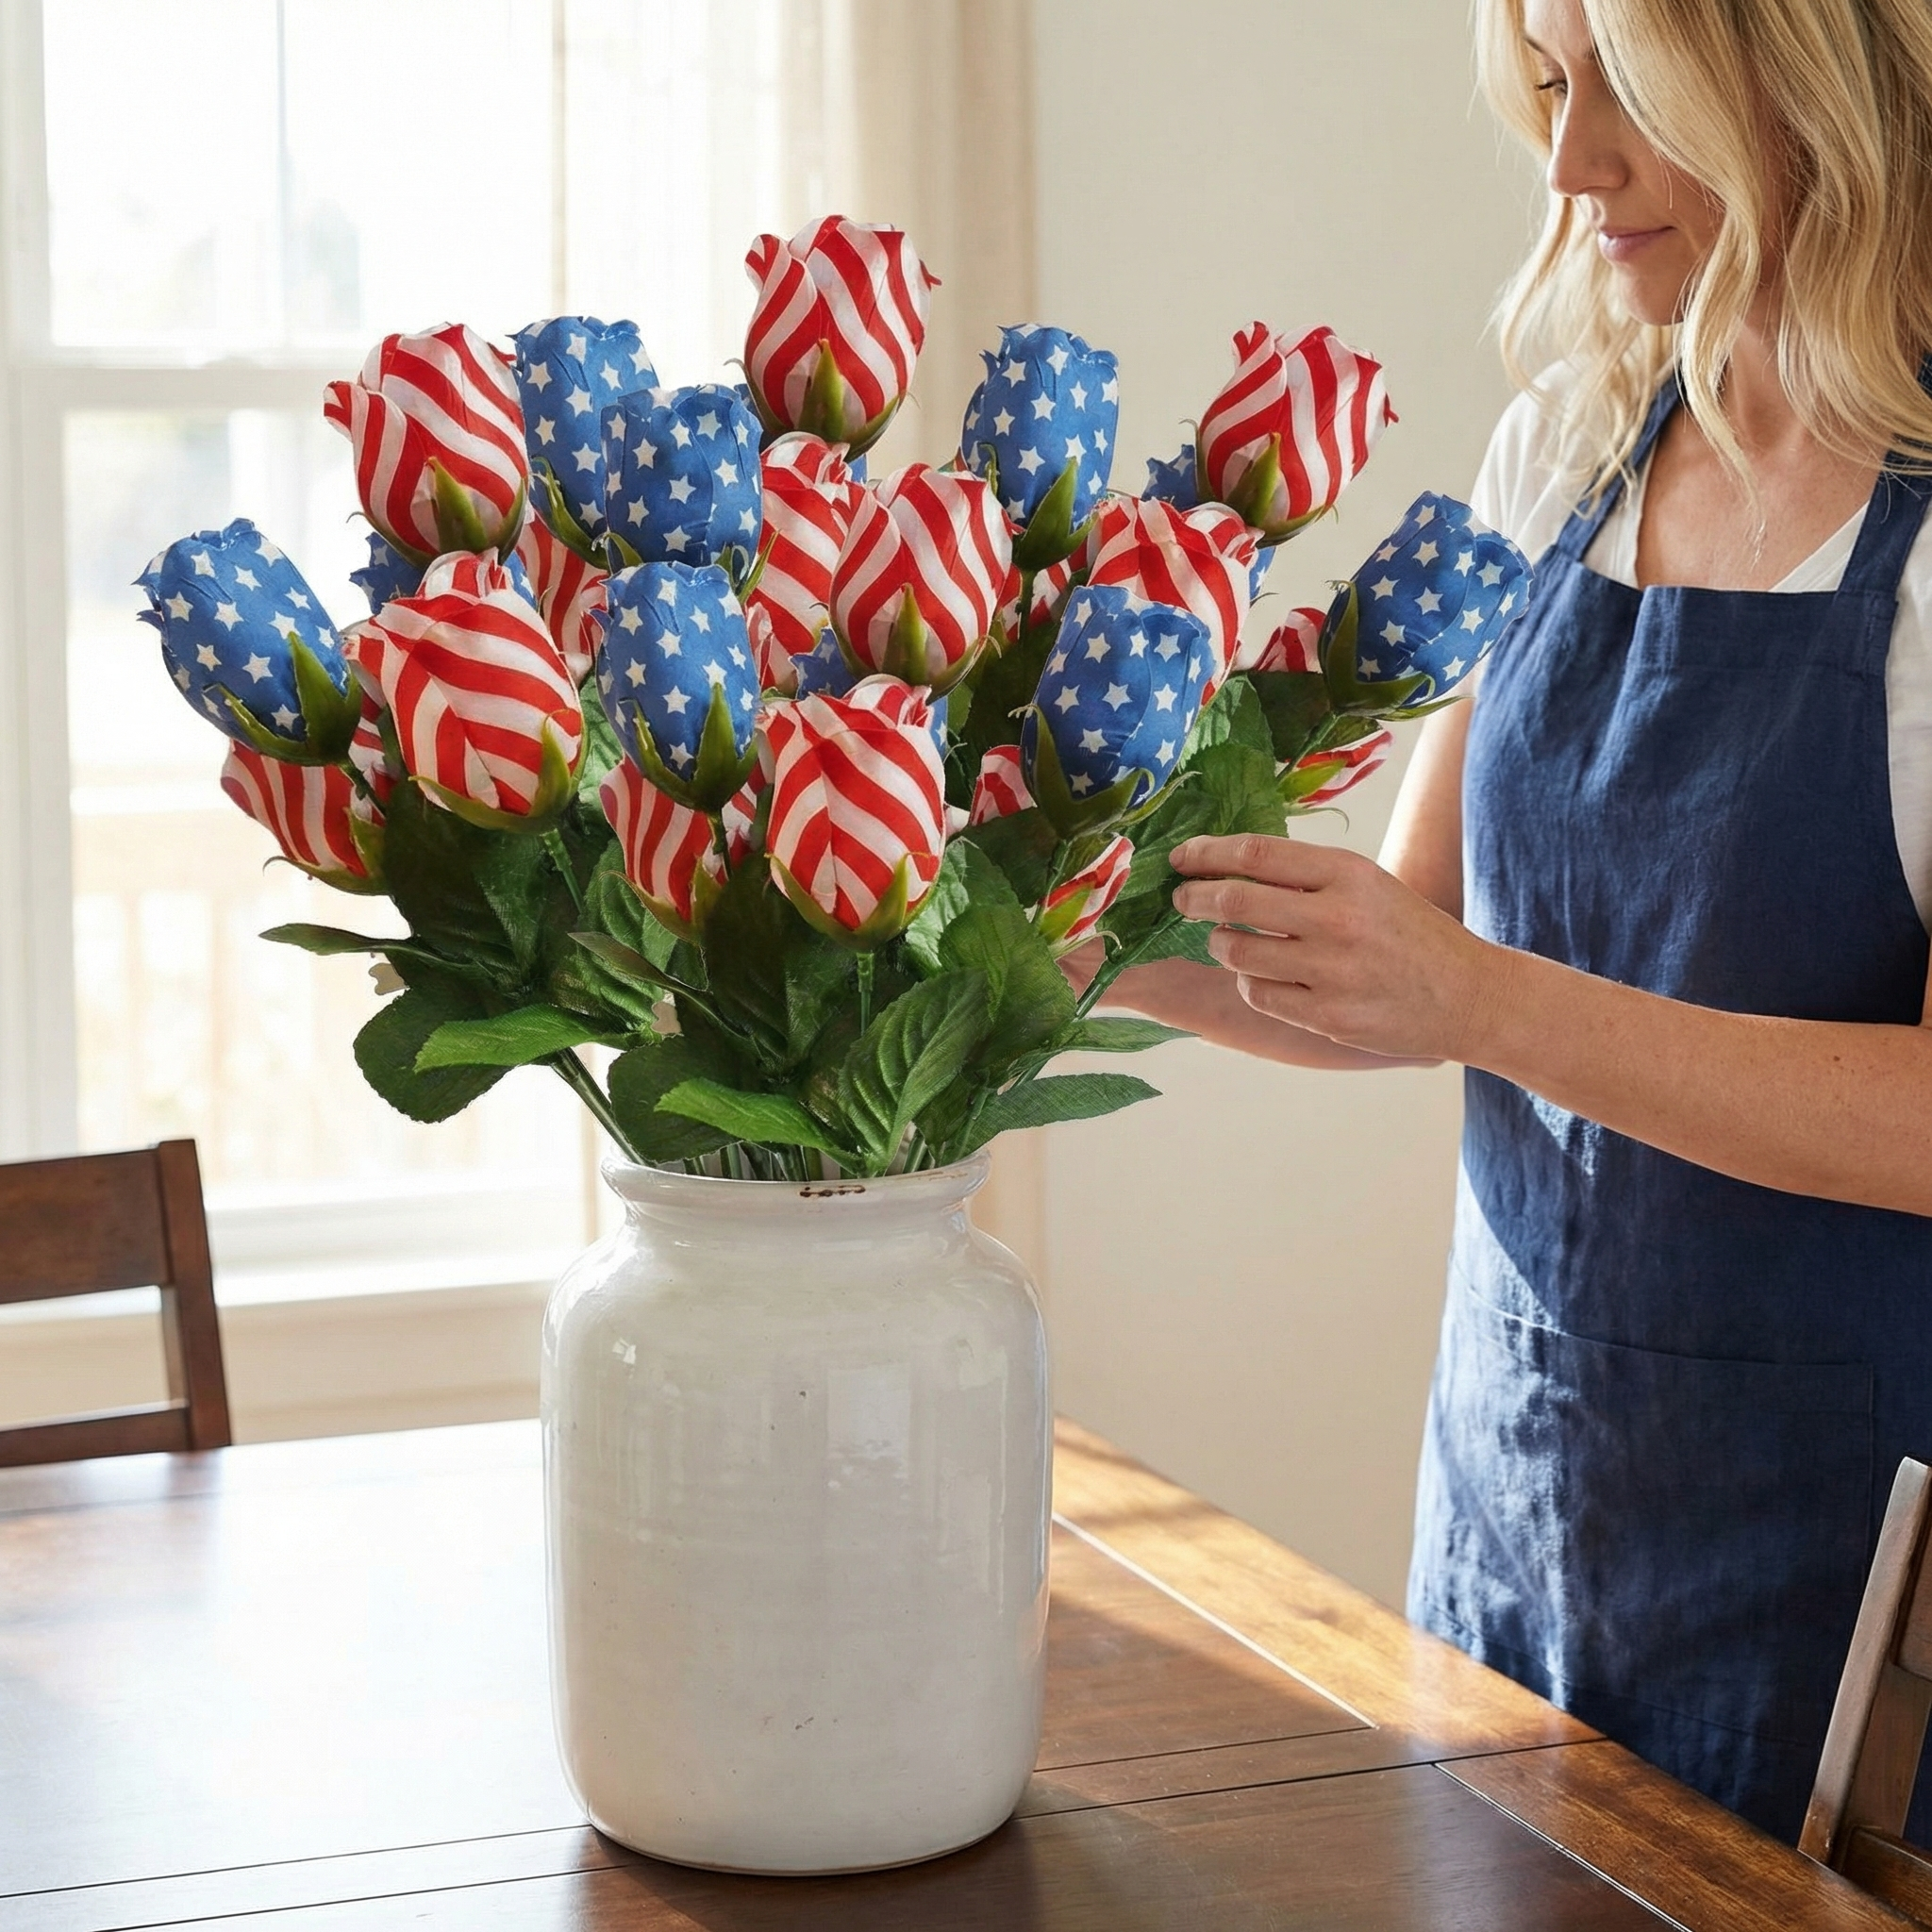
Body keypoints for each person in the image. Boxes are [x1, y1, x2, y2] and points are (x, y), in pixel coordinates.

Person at [1082, 0, 1932, 1841]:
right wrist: (1048, 937)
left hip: (1843, 1586)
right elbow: (1393, 962)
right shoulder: (1570, 446)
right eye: (1551, 85)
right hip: (1518, 1505)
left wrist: (1477, 999)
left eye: (1630, 85)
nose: (1569, 163)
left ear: (1817, 81)